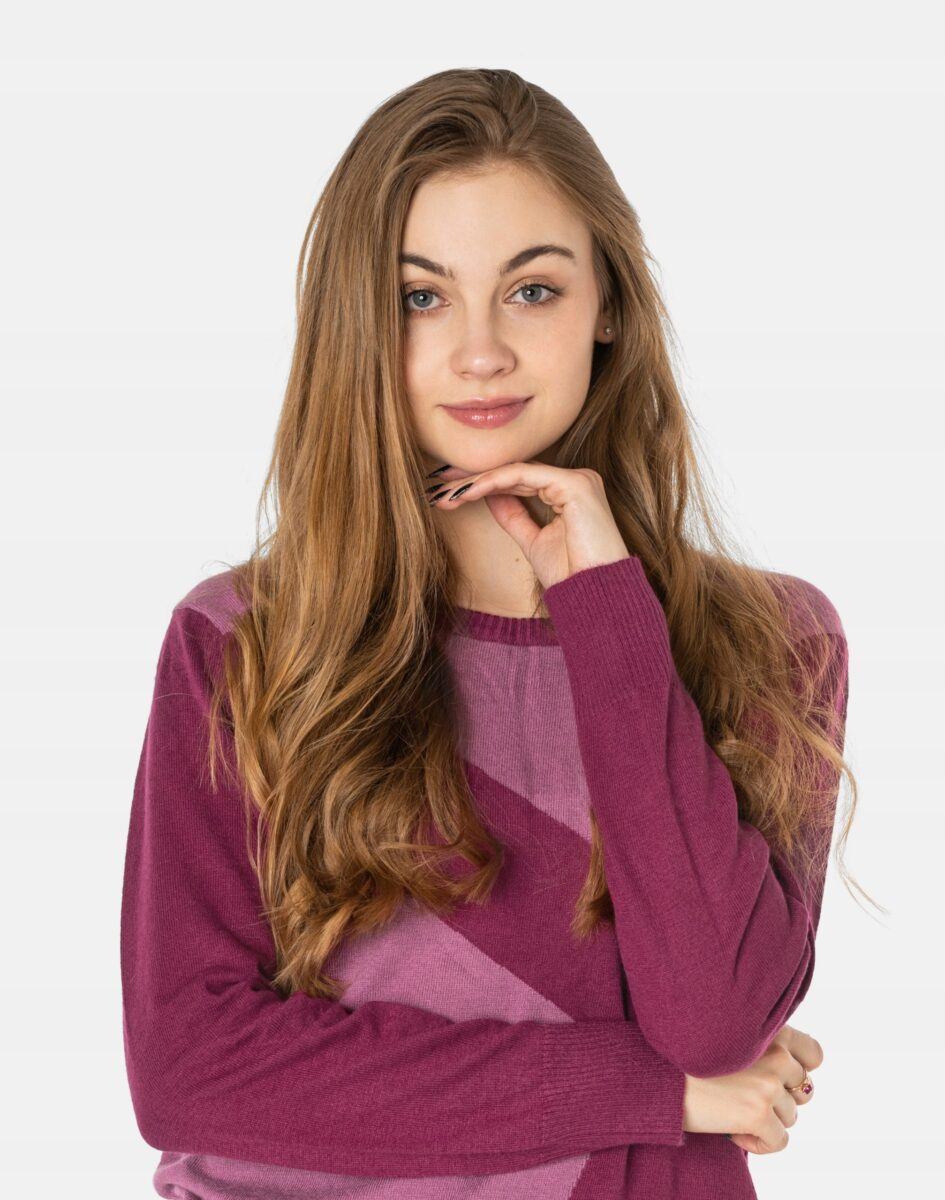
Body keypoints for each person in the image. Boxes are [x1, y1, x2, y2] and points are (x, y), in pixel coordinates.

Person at [120, 67, 870, 1200]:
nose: (480, 352)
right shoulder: (248, 642)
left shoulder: (773, 642)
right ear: (359, 322)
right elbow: (193, 1074)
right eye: (421, 297)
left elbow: (715, 1021)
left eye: (531, 290)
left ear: (608, 305)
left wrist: (607, 610)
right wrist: (650, 1089)